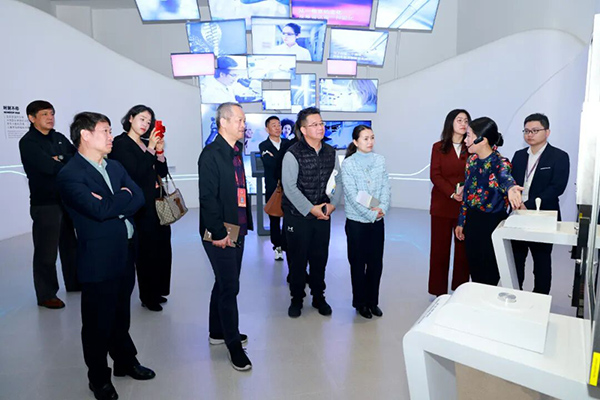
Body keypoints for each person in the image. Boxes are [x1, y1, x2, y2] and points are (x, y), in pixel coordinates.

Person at [57, 112, 155, 400]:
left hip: (125, 250)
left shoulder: (114, 166)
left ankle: (125, 361)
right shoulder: (70, 174)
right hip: (98, 258)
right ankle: (99, 378)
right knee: (97, 323)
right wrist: (121, 199)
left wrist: (115, 202)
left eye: (111, 131)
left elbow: (138, 198)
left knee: (121, 314)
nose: (111, 136)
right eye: (105, 131)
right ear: (85, 135)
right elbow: (98, 210)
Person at [198, 102, 253, 371]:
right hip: (220, 230)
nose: (244, 125)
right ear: (224, 122)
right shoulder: (211, 154)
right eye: (239, 120)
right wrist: (219, 233)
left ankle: (217, 331)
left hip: (236, 226)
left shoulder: (236, 150)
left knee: (224, 282)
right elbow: (207, 199)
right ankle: (233, 345)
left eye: (243, 120)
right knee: (230, 286)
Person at [109, 105, 172, 312]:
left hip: (158, 202)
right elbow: (135, 173)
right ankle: (148, 295)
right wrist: (151, 149)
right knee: (146, 251)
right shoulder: (121, 144)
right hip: (140, 206)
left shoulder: (146, 142)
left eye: (149, 121)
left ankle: (159, 289)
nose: (145, 124)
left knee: (162, 247)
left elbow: (161, 171)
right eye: (142, 119)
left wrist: (159, 151)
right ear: (130, 118)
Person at [281, 107, 343, 318]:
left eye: (321, 123)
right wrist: (310, 209)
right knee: (297, 260)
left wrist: (332, 204)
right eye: (314, 124)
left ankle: (318, 297)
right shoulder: (292, 154)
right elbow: (290, 188)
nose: (320, 127)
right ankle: (296, 299)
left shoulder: (330, 152)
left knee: (320, 258)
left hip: (323, 214)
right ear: (303, 129)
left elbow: (338, 180)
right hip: (298, 216)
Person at [19, 100, 79, 309]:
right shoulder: (28, 142)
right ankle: (46, 294)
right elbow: (48, 167)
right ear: (32, 118)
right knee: (46, 250)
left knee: (70, 245)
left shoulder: (59, 137)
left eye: (52, 113)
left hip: (66, 200)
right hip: (45, 203)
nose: (50, 117)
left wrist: (59, 158)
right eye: (44, 114)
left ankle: (74, 282)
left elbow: (75, 158)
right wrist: (61, 161)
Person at [455, 117, 523, 286]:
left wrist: (511, 189)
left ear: (482, 140)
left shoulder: (500, 163)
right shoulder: (471, 161)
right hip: (472, 222)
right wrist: (461, 221)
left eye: (469, 136)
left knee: (490, 272)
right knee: (475, 269)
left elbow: (505, 178)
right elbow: (467, 194)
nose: (465, 140)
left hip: (492, 225)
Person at [511, 113, 570, 294]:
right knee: (516, 260)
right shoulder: (519, 156)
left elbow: (557, 187)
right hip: (518, 215)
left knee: (541, 261)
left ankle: (541, 298)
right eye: (526, 131)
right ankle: (515, 295)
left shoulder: (559, 156)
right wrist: (516, 201)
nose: (530, 134)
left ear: (547, 132)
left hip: (543, 216)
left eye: (535, 130)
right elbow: (511, 182)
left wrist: (527, 204)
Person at [341, 125, 391, 319]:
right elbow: (352, 195)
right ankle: (360, 303)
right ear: (355, 142)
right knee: (358, 264)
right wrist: (371, 214)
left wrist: (382, 208)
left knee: (376, 264)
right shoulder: (348, 164)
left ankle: (373, 302)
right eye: (365, 138)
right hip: (357, 222)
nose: (370, 142)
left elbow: (386, 187)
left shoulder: (380, 160)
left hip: (377, 220)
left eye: (372, 137)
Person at [428, 109, 471, 296]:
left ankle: (460, 291)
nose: (463, 124)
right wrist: (453, 193)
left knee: (463, 253)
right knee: (439, 251)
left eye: (466, 121)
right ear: (450, 123)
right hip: (442, 205)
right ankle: (439, 292)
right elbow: (435, 175)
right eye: (459, 120)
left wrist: (464, 193)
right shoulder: (438, 147)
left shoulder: (471, 147)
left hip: (465, 207)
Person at [259, 116, 290, 260]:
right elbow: (269, 164)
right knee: (274, 218)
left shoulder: (288, 143)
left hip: (289, 186)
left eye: (279, 125)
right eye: (274, 125)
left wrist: (275, 158)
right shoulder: (263, 145)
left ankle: (287, 245)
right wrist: (281, 160)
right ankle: (277, 246)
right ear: (267, 129)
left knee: (289, 218)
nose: (278, 128)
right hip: (273, 187)